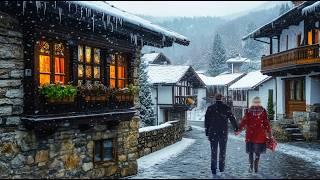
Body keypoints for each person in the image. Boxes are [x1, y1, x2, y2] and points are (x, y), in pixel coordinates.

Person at [235, 97, 272, 173]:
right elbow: (266, 123)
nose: (256, 103)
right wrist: (269, 132)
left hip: (250, 134)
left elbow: (244, 121)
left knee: (251, 152)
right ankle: (255, 166)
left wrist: (239, 129)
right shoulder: (263, 110)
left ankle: (251, 166)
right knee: (257, 152)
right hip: (259, 135)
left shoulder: (249, 111)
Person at [205, 94, 239, 175]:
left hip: (213, 132)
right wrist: (236, 128)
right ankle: (221, 168)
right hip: (223, 132)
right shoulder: (226, 108)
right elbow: (232, 118)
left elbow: (207, 121)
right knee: (222, 151)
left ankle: (213, 169)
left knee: (213, 151)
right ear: (222, 98)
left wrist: (207, 131)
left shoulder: (210, 108)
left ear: (215, 99)